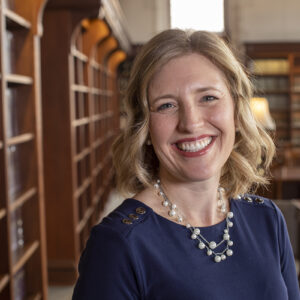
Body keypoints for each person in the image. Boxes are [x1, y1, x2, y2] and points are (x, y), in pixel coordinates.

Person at [72, 29, 300, 299]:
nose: (191, 123)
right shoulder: (117, 244)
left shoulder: (268, 220)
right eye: (167, 105)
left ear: (237, 111)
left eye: (208, 98)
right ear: (143, 127)